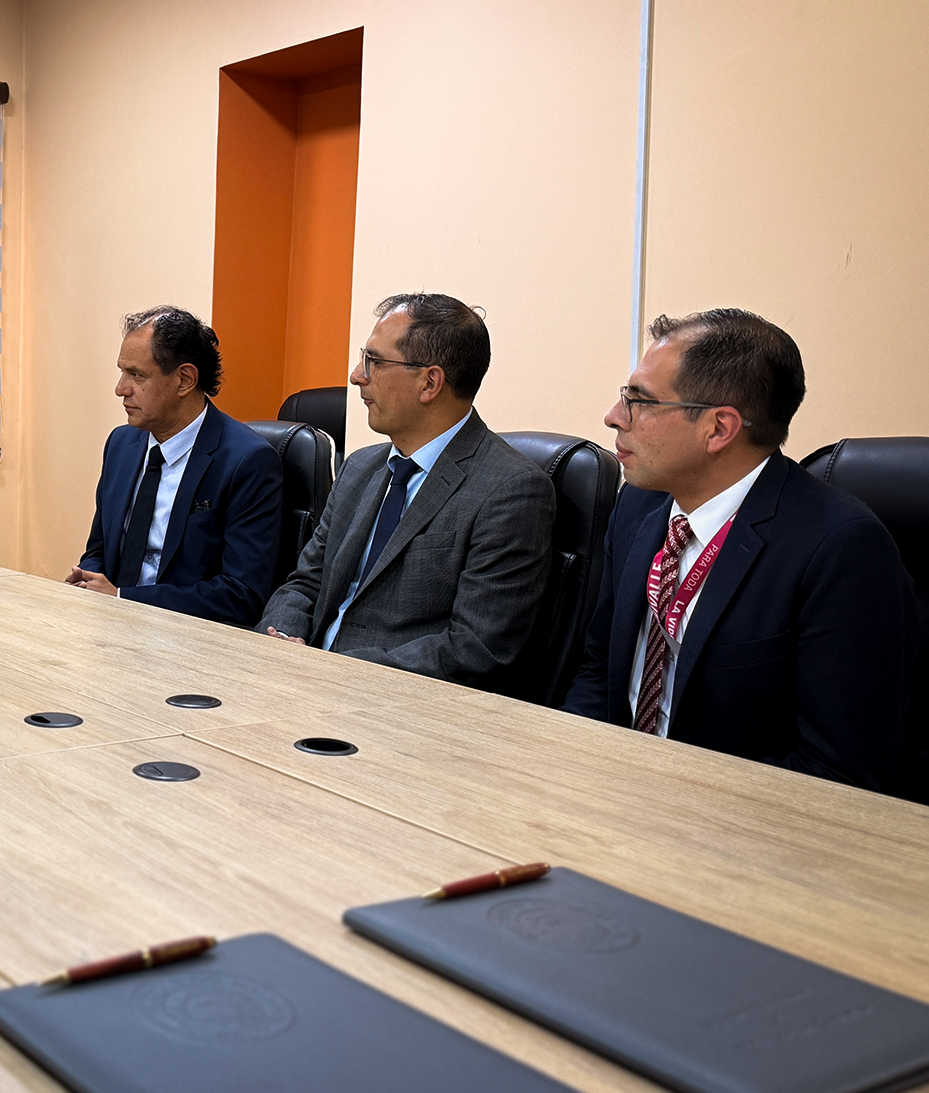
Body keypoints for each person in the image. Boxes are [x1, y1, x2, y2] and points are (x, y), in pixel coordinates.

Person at [562, 309, 916, 792]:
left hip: (735, 815)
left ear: (719, 428)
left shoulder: (841, 549)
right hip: (610, 789)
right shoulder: (640, 504)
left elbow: (837, 773)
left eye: (639, 401)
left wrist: (668, 798)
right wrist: (567, 764)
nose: (614, 417)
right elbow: (600, 671)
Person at [256, 293, 555, 689]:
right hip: (300, 680)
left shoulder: (510, 490)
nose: (356, 376)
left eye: (375, 362)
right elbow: (305, 583)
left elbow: (475, 648)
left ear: (430, 382)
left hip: (394, 703)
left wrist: (330, 671)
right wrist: (282, 637)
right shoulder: (360, 467)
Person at [67, 306, 282, 625]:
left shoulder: (247, 461)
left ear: (184, 380)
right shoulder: (121, 444)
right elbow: (99, 551)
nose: (120, 389)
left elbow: (241, 595)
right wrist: (87, 581)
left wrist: (123, 599)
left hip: (188, 636)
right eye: (122, 372)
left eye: (136, 375)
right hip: (108, 624)